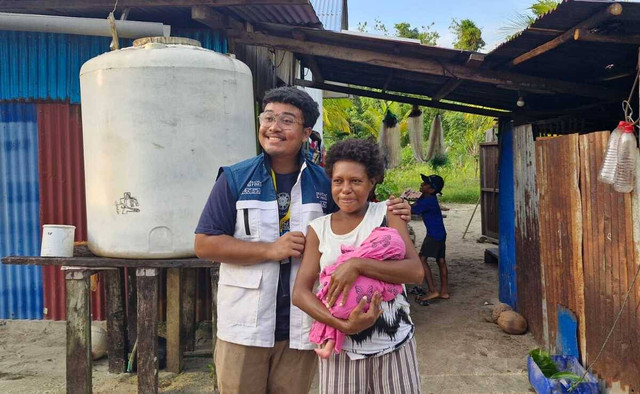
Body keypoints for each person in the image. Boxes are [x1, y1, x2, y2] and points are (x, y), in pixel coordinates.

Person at [194, 86, 411, 394]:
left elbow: (358, 223)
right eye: (268, 117)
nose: (273, 127)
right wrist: (269, 250)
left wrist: (394, 210)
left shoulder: (325, 182)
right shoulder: (234, 178)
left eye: (286, 120)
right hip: (244, 325)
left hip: (303, 326)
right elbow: (204, 244)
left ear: (306, 131)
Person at [293, 139, 424, 394]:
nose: (346, 189)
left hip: (394, 343)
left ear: (372, 181)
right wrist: (341, 325)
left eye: (356, 181)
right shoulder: (318, 229)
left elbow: (415, 272)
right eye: (338, 181)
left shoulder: (387, 214)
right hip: (341, 351)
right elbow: (300, 293)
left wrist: (358, 264)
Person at [309, 226, 405, 358]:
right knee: (338, 314)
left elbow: (344, 257)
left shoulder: (363, 254)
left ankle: (328, 345)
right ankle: (328, 346)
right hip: (348, 305)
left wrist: (354, 264)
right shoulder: (380, 268)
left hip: (338, 301)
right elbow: (390, 290)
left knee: (336, 312)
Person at [411, 174, 449, 305]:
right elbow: (418, 202)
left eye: (426, 184)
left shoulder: (428, 201)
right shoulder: (428, 197)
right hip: (440, 234)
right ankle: (444, 291)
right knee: (441, 261)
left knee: (421, 259)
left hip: (433, 235)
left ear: (432, 190)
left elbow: (412, 210)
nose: (422, 184)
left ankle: (432, 290)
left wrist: (402, 201)